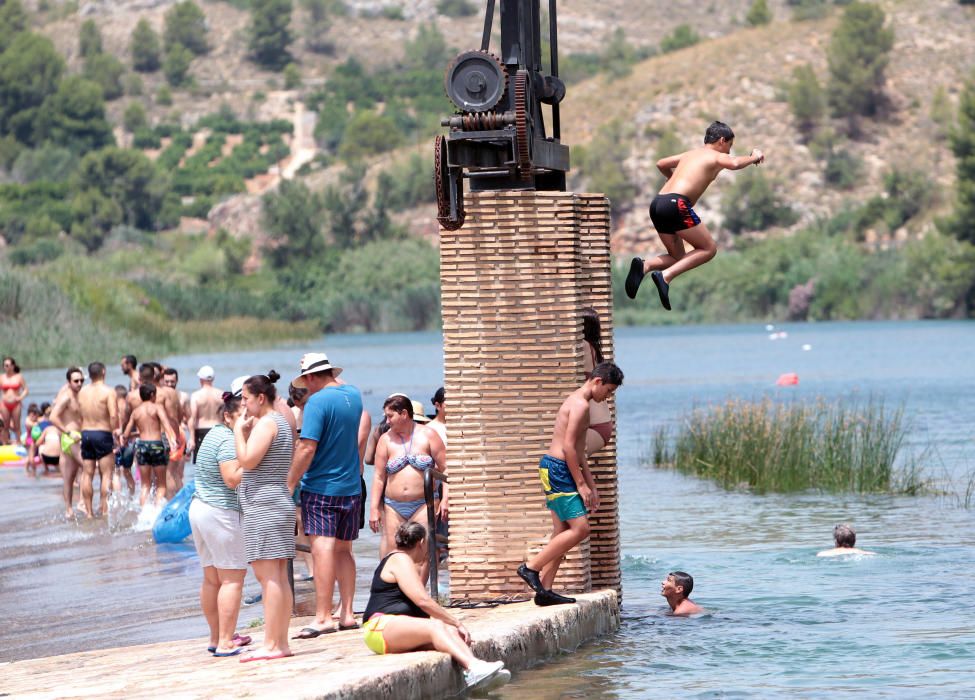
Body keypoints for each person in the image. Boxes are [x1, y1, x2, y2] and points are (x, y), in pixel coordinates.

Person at [625, 121, 765, 310]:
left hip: (658, 203)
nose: (728, 152)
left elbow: (661, 163)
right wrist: (754, 156)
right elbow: (734, 163)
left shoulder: (690, 154)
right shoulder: (714, 155)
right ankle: (665, 276)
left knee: (678, 257)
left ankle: (646, 266)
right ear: (722, 141)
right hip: (676, 204)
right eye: (729, 147)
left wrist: (670, 178)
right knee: (709, 249)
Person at [517, 362, 624, 606]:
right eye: (608, 391)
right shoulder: (579, 404)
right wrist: (581, 484)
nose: (607, 396)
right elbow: (567, 447)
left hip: (555, 467)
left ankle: (544, 591)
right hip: (558, 469)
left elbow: (579, 450)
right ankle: (531, 568)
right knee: (581, 529)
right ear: (598, 381)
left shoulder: (582, 404)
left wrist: (591, 485)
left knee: (562, 532)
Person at [362, 522, 510, 692]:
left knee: (451, 634)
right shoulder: (399, 559)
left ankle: (476, 674)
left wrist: (453, 628)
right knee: (438, 626)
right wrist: (457, 622)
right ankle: (473, 667)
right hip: (378, 628)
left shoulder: (403, 560)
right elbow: (422, 601)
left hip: (392, 630)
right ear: (421, 542)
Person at [287, 353, 363, 638]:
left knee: (322, 550)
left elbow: (307, 448)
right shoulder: (353, 395)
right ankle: (346, 613)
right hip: (351, 487)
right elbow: (338, 383)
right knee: (345, 551)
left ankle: (322, 617)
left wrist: (289, 484)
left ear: (309, 378)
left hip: (321, 487)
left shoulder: (316, 402)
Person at [234, 371, 295, 662]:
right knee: (279, 576)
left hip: (264, 504)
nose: (243, 405)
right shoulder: (283, 420)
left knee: (268, 577)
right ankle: (280, 641)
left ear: (260, 398)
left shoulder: (267, 423)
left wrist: (237, 431)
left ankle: (272, 643)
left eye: (245, 399)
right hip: (278, 502)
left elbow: (247, 461)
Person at [189, 390, 253, 657]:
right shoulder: (228, 439)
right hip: (220, 512)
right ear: (228, 416)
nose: (249, 420)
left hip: (199, 508)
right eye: (243, 416)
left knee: (212, 578)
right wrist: (253, 461)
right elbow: (231, 478)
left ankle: (216, 637)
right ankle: (226, 641)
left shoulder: (214, 433)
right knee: (233, 578)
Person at [369, 394, 446, 582]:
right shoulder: (386, 440)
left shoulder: (428, 435)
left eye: (390, 416)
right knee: (393, 552)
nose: (387, 421)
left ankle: (418, 597)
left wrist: (446, 499)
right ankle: (396, 596)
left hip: (423, 503)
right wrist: (373, 509)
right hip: (393, 505)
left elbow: (446, 469)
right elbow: (379, 477)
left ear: (404, 414)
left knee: (422, 551)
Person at [122, 384, 177, 507]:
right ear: (152, 395)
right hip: (157, 446)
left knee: (145, 485)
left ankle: (143, 515)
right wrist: (173, 440)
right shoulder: (157, 408)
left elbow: (126, 434)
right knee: (161, 485)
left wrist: (125, 441)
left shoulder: (136, 412)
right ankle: (156, 512)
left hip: (141, 447)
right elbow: (167, 425)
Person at [78, 362, 120, 518]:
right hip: (102, 433)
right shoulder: (109, 391)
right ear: (103, 372)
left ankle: (89, 513)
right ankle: (104, 510)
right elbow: (114, 415)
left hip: (86, 433)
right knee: (106, 474)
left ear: (89, 374)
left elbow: (79, 413)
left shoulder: (82, 392)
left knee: (87, 474)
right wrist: (115, 432)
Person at [49, 368, 85, 518]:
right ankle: (80, 503)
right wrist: (67, 432)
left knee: (70, 477)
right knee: (87, 465)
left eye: (82, 380)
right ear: (69, 382)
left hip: (79, 436)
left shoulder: (83, 396)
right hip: (70, 437)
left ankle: (69, 510)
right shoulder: (66, 398)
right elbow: (52, 417)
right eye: (76, 381)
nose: (79, 383)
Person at [582, 307, 613, 456]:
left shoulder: (584, 347)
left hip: (596, 424)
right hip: (600, 421)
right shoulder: (593, 349)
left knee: (568, 459)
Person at [158, 367, 186, 496]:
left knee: (175, 473)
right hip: (168, 436)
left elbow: (183, 416)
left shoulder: (182, 395)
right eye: (167, 381)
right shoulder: (162, 394)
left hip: (176, 435)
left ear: (177, 381)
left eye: (172, 382)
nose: (170, 384)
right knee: (166, 475)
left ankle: (175, 502)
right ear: (162, 381)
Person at [188, 365, 224, 463]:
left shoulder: (196, 396)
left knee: (202, 465)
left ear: (200, 379)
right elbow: (226, 415)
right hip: (219, 430)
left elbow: (193, 418)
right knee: (219, 462)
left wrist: (191, 438)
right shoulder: (221, 394)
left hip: (201, 432)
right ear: (213, 379)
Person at [1, 356, 28, 445]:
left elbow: (26, 390)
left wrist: (20, 398)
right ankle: (4, 443)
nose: (7, 367)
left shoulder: (18, 377)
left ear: (13, 366)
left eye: (8, 365)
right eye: (5, 366)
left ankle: (19, 443)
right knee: (5, 425)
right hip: (4, 404)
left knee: (17, 426)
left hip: (16, 404)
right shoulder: (2, 377)